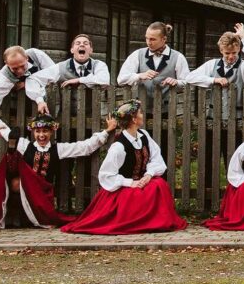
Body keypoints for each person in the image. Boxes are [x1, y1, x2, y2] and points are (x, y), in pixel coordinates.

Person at [0, 108, 115, 229]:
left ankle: (39, 217)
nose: (41, 135)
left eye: (45, 131)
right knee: (12, 167)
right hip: (26, 187)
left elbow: (84, 147)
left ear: (51, 132)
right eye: (38, 132)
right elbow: (2, 129)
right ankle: (11, 152)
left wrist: (107, 131)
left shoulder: (58, 149)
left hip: (44, 190)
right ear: (33, 132)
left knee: (49, 216)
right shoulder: (25, 145)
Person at [61, 100, 187, 234]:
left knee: (159, 185)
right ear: (134, 119)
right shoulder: (119, 147)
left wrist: (148, 174)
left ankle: (155, 220)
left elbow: (156, 158)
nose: (143, 115)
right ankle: (143, 222)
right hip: (124, 188)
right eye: (140, 113)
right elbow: (106, 175)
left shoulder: (144, 135)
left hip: (142, 181)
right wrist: (130, 183)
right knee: (137, 195)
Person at [185, 23, 244, 119]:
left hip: (238, 120)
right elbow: (189, 78)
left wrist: (243, 37)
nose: (231, 56)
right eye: (227, 53)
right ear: (221, 50)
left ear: (239, 49)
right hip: (213, 118)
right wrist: (214, 80)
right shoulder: (212, 64)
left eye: (234, 53)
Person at [116, 22, 190, 112]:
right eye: (146, 38)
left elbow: (187, 83)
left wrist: (176, 82)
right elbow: (121, 79)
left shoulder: (178, 57)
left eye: (152, 39)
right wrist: (139, 76)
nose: (148, 42)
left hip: (167, 111)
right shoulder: (137, 54)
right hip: (140, 111)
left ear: (164, 39)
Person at [30, 34, 110, 114]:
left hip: (92, 117)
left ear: (91, 50)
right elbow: (34, 78)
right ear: (72, 50)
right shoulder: (60, 67)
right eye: (78, 43)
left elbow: (104, 79)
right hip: (65, 117)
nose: (82, 45)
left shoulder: (98, 65)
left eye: (86, 43)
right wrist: (39, 100)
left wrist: (79, 80)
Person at [0, 46, 55, 123]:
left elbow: (54, 74)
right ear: (6, 63)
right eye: (15, 68)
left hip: (52, 102)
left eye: (22, 66)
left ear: (27, 58)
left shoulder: (36, 55)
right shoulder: (3, 77)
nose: (20, 71)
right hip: (19, 111)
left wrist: (28, 83)